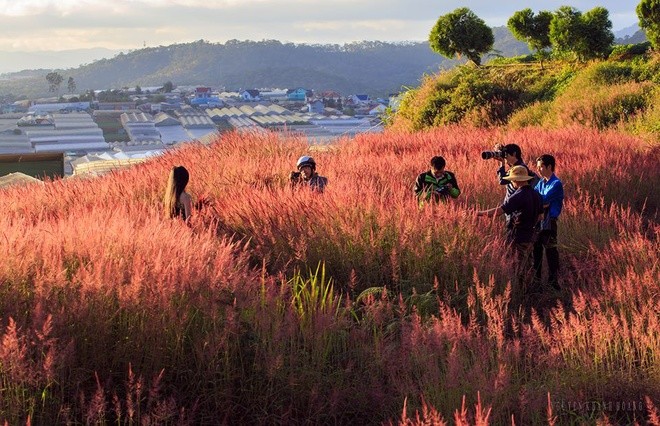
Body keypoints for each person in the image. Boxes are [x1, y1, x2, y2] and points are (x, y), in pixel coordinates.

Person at [477, 165, 543, 297]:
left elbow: (500, 211)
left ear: (517, 180)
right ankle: (532, 291)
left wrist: (478, 213)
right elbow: (541, 216)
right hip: (531, 235)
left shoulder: (518, 195)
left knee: (519, 266)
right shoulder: (536, 194)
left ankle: (525, 294)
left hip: (518, 236)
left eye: (512, 180)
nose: (512, 182)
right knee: (528, 263)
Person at [533, 154, 564, 290]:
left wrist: (538, 202)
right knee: (537, 250)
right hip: (539, 220)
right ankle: (537, 280)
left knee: (551, 252)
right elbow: (535, 198)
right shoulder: (541, 182)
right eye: (538, 167)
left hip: (549, 222)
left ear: (549, 167)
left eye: (541, 167)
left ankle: (554, 282)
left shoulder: (556, 184)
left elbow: (543, 201)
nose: (538, 170)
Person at [490, 143, 539, 228]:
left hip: (516, 210)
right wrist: (502, 163)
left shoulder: (520, 169)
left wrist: (502, 164)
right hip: (513, 208)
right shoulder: (515, 167)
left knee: (514, 235)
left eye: (507, 155)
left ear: (514, 154)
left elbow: (502, 181)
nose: (505, 158)